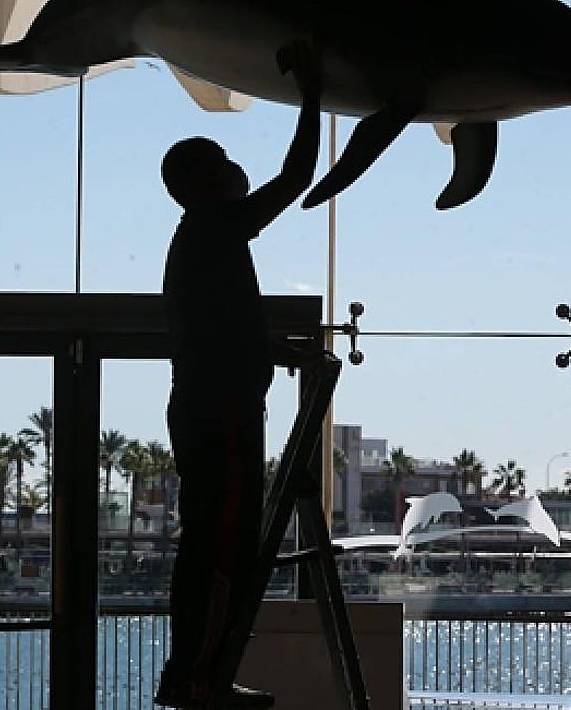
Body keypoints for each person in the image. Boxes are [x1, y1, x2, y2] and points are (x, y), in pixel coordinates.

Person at [155, 41, 322, 709]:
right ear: (206, 184)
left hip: (211, 405)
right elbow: (295, 175)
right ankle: (198, 681)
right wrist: (311, 94)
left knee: (214, 545)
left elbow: (219, 324)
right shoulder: (214, 227)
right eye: (222, 165)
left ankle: (202, 676)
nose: (235, 171)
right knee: (219, 551)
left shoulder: (201, 241)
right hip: (220, 413)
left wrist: (267, 346)